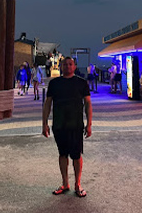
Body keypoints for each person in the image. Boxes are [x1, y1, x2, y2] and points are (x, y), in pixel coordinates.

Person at [42, 57, 92, 198]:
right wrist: (44, 123)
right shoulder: (54, 83)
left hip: (76, 124)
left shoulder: (82, 83)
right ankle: (65, 183)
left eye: (70, 64)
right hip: (59, 124)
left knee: (76, 155)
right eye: (65, 64)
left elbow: (88, 104)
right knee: (62, 154)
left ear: (75, 66)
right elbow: (48, 104)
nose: (67, 66)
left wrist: (89, 124)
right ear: (61, 66)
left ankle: (77, 184)